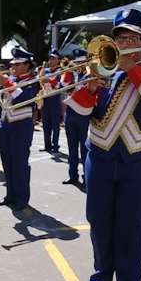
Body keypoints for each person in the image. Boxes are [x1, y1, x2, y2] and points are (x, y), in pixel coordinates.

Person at [69, 9, 141, 281]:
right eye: (119, 38)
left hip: (135, 164)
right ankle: (100, 279)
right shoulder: (102, 70)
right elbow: (77, 113)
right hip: (99, 160)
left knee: (129, 230)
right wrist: (88, 89)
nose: (124, 43)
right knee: (99, 225)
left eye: (131, 38)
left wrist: (133, 70)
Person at [0, 47, 39, 211]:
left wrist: (6, 83)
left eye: (18, 64)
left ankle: (22, 198)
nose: (13, 67)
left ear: (27, 65)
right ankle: (10, 195)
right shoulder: (12, 79)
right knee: (7, 161)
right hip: (5, 124)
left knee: (20, 163)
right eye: (12, 64)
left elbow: (25, 98)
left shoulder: (33, 80)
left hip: (21, 125)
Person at [61, 48, 91, 187]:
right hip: (70, 114)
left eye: (83, 62)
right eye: (77, 63)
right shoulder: (72, 75)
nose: (80, 65)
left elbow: (85, 92)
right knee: (72, 148)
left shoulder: (91, 75)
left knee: (85, 149)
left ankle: (87, 177)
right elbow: (64, 86)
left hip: (84, 115)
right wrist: (68, 70)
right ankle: (72, 175)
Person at [40, 49, 63, 153]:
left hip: (55, 100)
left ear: (58, 60)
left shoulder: (60, 71)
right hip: (46, 99)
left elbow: (57, 84)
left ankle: (55, 144)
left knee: (55, 125)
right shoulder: (46, 71)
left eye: (53, 58)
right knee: (46, 124)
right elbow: (40, 82)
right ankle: (47, 145)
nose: (51, 60)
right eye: (50, 58)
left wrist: (47, 80)